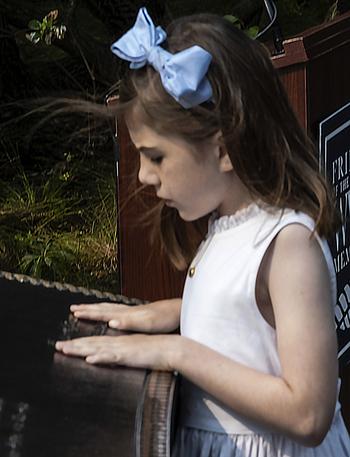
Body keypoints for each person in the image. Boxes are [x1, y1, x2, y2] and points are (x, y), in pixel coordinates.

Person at [55, 7, 350, 456]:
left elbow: (308, 413)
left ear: (225, 147)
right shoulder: (228, 224)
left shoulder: (289, 247)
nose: (142, 178)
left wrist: (179, 352)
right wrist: (173, 312)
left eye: (155, 157)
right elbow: (251, 315)